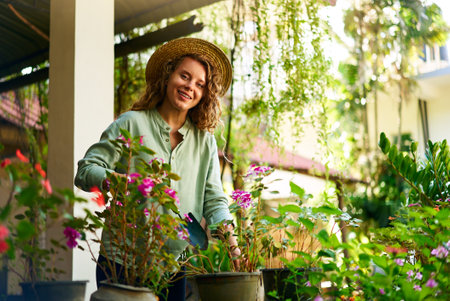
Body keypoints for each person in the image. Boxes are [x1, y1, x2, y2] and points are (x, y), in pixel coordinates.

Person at [74, 38, 239, 300]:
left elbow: (214, 199)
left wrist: (232, 243)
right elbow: (85, 171)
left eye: (199, 84)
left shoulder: (205, 141)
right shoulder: (131, 124)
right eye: (184, 76)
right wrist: (122, 182)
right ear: (168, 75)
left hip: (174, 267)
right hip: (122, 260)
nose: (190, 87)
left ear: (205, 94)